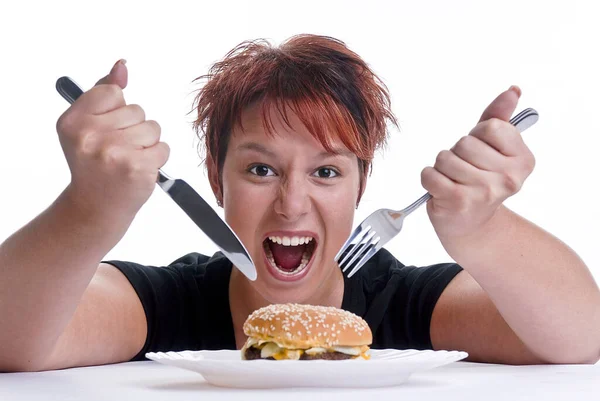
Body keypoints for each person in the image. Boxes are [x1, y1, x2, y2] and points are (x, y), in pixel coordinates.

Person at [0, 35, 598, 373]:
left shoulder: (402, 304)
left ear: (360, 188)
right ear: (216, 178)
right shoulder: (169, 305)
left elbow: (579, 339)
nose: (291, 204)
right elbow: (13, 344)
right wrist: (88, 211)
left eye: (327, 171)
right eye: (260, 169)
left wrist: (483, 229)